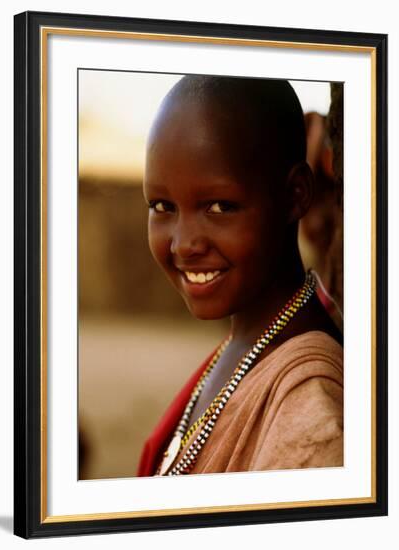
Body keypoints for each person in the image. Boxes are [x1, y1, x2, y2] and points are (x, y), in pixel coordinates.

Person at [137, 75, 343, 477]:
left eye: (219, 206)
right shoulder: (246, 342)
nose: (183, 244)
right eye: (162, 205)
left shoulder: (310, 412)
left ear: (296, 194)